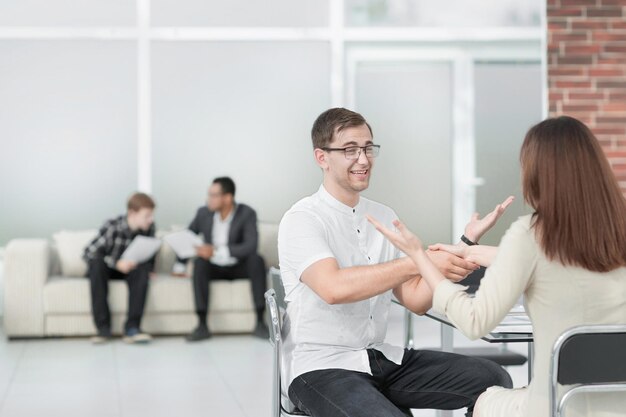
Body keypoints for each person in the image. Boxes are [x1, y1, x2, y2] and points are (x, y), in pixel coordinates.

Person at [369, 115, 626, 417]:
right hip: (617, 405)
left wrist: (419, 256)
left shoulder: (532, 233)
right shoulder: (614, 231)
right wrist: (469, 250)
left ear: (537, 172)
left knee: (484, 401)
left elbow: (475, 321)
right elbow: (550, 263)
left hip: (553, 406)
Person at [278, 108, 513, 417]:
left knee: (493, 380)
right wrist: (418, 260)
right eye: (350, 150)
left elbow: (415, 299)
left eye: (368, 148)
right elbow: (332, 288)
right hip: (322, 368)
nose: (363, 159)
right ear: (322, 157)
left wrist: (463, 247)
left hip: (381, 360)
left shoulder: (384, 216)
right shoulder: (302, 219)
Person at [174, 177, 269, 341]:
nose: (208, 199)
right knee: (200, 263)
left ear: (227, 198)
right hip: (214, 268)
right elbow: (187, 238)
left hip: (239, 266)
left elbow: (250, 246)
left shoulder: (247, 213)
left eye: (213, 195)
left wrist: (216, 251)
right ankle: (202, 325)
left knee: (257, 260)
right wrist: (179, 267)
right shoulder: (203, 213)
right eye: (209, 195)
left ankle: (260, 322)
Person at [83, 192, 157, 344]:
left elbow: (149, 254)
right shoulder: (112, 226)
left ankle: (132, 328)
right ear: (132, 213)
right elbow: (88, 253)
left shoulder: (149, 229)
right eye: (147, 215)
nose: (151, 220)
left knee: (142, 271)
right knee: (96, 266)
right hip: (107, 270)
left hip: (130, 270)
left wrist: (148, 268)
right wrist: (116, 263)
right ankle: (103, 330)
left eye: (151, 215)